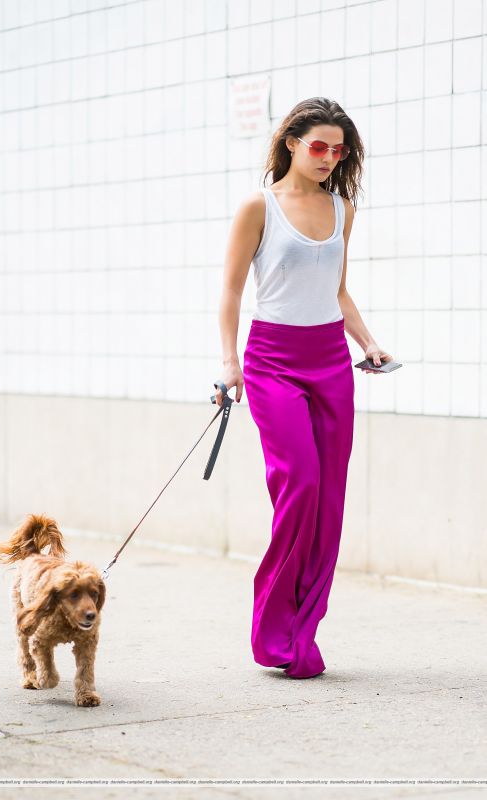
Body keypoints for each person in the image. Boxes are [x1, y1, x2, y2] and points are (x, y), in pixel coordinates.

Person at [214, 97, 393, 679]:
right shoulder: (258, 207)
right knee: (302, 485)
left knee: (330, 498)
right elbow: (233, 291)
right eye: (318, 146)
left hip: (331, 361)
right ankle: (274, 627)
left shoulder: (343, 208)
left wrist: (368, 342)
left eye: (338, 150)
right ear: (291, 142)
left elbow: (337, 289)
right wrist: (229, 362)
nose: (328, 158)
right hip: (272, 362)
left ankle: (303, 634)